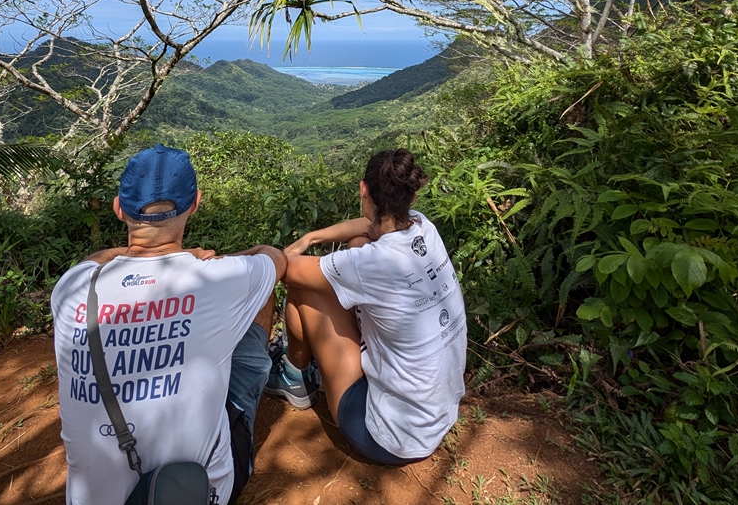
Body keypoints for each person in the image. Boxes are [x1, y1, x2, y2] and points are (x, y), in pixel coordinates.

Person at [51, 143, 286, 505]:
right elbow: (275, 259)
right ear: (196, 202)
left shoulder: (72, 288)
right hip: (196, 492)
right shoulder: (217, 280)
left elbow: (90, 261)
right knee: (257, 296)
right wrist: (207, 257)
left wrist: (130, 255)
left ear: (118, 208)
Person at [266, 148, 467, 465]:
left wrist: (266, 255)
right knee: (359, 242)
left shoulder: (374, 262)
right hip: (436, 418)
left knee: (304, 289)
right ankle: (321, 365)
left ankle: (294, 376)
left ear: (363, 189)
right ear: (411, 197)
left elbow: (286, 270)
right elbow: (366, 227)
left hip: (386, 436)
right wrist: (311, 238)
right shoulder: (423, 228)